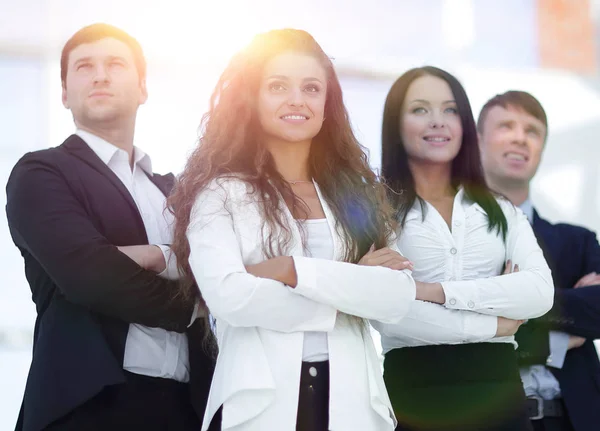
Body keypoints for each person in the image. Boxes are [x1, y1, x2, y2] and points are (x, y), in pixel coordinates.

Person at [167, 28, 429, 431]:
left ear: (327, 104)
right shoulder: (220, 194)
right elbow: (229, 296)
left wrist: (292, 270)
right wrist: (354, 288)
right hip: (259, 405)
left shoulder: (357, 195)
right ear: (251, 99)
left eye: (311, 88)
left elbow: (396, 297)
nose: (296, 100)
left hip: (352, 404)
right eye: (277, 86)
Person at [5, 23, 216, 431]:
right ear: (64, 92)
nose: (100, 75)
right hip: (90, 408)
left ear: (142, 89)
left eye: (115, 63)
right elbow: (91, 278)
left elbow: (223, 268)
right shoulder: (42, 173)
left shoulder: (179, 193)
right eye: (84, 66)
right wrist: (195, 305)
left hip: (188, 410)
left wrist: (155, 256)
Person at [374, 66, 554, 431]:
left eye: (450, 110)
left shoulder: (501, 209)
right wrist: (495, 324)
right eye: (420, 109)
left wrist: (430, 291)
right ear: (396, 123)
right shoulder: (376, 209)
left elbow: (538, 292)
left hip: (501, 399)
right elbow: (389, 309)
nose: (438, 121)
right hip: (414, 399)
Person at [478, 90, 600, 431]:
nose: (520, 137)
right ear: (477, 142)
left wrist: (504, 302)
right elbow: (458, 330)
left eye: (532, 131)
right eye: (506, 126)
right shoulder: (450, 237)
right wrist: (558, 340)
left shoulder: (578, 240)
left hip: (575, 418)